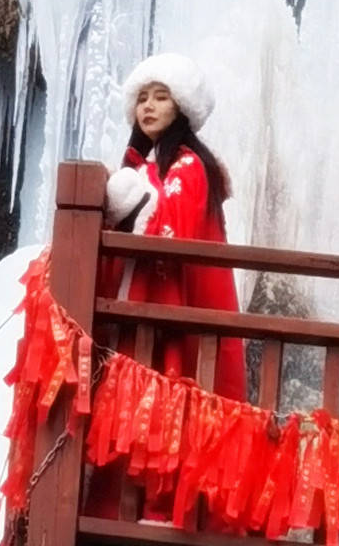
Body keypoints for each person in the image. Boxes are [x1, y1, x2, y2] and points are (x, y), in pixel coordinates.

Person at [102, 51, 247, 396]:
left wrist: (135, 203)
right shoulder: (142, 168)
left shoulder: (189, 167)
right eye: (141, 98)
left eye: (160, 97)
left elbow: (173, 235)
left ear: (180, 107)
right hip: (148, 307)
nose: (148, 106)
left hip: (175, 303)